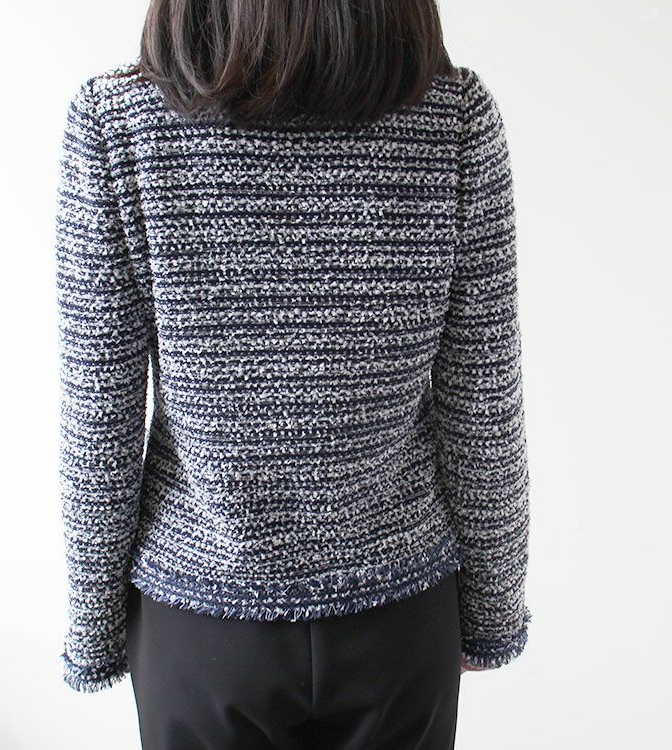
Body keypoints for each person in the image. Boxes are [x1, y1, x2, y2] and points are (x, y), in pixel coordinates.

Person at [54, 0, 532, 747]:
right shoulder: (454, 122)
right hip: (399, 619)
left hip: (201, 626)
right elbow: (482, 403)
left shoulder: (121, 125)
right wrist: (493, 610)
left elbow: (100, 418)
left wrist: (93, 626)